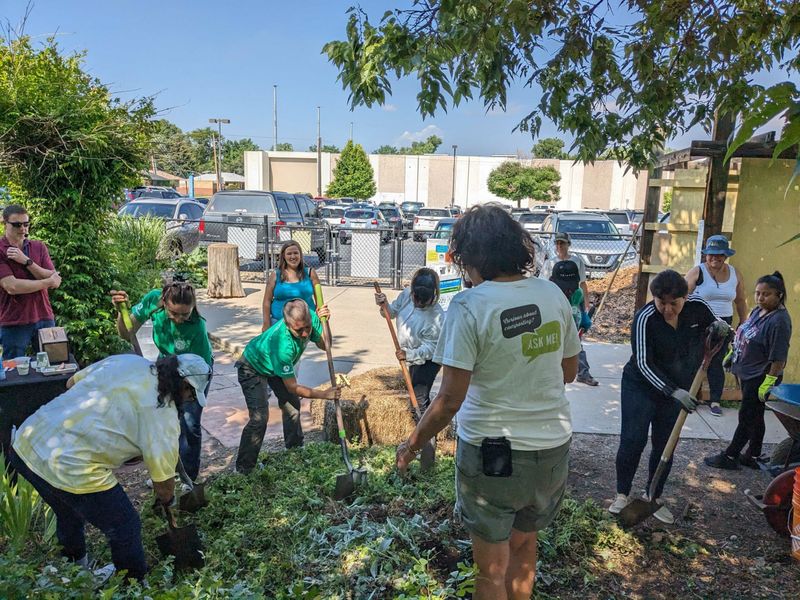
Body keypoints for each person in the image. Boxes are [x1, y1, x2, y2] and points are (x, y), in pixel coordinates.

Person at [395, 204, 580, 600]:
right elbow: (569, 372)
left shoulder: (469, 305)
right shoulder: (551, 293)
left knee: (490, 571)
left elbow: (447, 401)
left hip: (494, 455)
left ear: (472, 257)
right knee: (524, 547)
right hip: (551, 450)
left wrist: (412, 444)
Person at [8, 353, 211, 581]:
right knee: (126, 526)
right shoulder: (162, 414)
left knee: (68, 510)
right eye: (191, 394)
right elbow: (164, 486)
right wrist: (168, 502)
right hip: (69, 464)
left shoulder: (127, 361)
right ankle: (135, 587)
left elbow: (71, 383)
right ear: (183, 384)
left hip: (27, 443)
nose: (189, 399)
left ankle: (76, 575)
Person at [610, 270, 720, 524]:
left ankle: (653, 496)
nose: (668, 309)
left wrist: (722, 332)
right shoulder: (644, 318)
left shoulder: (698, 308)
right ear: (654, 299)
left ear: (685, 297)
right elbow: (642, 363)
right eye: (662, 303)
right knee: (633, 440)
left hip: (678, 387)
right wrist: (673, 391)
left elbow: (715, 329)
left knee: (665, 444)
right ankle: (622, 494)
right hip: (641, 386)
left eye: (674, 303)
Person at [110, 282, 213, 482]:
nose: (179, 319)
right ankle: (167, 473)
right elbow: (125, 333)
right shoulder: (153, 300)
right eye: (174, 313)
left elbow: (196, 370)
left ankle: (188, 478)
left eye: (185, 314)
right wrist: (120, 312)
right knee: (165, 420)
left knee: (189, 423)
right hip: (167, 364)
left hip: (194, 371)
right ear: (164, 302)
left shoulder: (197, 326)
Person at [235, 299, 340, 474]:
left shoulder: (310, 318)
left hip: (273, 366)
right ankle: (244, 469)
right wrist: (324, 394)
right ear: (286, 323)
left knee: (292, 405)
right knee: (259, 418)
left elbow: (325, 345)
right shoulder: (282, 345)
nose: (306, 333)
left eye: (307, 327)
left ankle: (294, 450)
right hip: (252, 367)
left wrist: (325, 323)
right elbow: (292, 387)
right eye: (299, 330)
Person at [704, 272, 792, 470]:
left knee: (746, 415)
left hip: (760, 376)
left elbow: (779, 358)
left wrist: (769, 381)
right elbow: (746, 333)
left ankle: (730, 455)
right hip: (746, 371)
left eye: (766, 294)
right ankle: (752, 454)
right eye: (758, 293)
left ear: (779, 295)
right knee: (756, 414)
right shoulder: (758, 311)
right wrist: (733, 353)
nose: (760, 298)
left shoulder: (779, 321)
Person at [685, 235, 747, 416]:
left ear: (725, 256)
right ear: (706, 255)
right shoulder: (697, 272)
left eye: (719, 255)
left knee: (716, 361)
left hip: (724, 323)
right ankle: (691, 396)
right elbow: (683, 297)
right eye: (711, 254)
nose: (714, 258)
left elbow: (741, 300)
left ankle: (715, 400)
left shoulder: (735, 274)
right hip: (700, 323)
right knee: (695, 359)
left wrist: (743, 322)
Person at [374, 267, 444, 413]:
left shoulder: (436, 317)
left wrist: (408, 355)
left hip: (429, 361)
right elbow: (392, 312)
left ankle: (425, 433)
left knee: (418, 400)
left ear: (434, 295)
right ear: (412, 291)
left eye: (424, 301)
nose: (418, 303)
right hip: (411, 354)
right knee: (415, 394)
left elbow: (431, 348)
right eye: (416, 298)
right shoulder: (406, 295)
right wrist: (384, 304)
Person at [0, 204, 62, 360]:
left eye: (26, 224)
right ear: (4, 223)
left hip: (44, 317)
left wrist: (26, 261)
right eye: (17, 224)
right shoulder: (1, 249)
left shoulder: (38, 246)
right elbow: (12, 286)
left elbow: (56, 279)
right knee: (12, 374)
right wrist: (47, 282)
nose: (22, 228)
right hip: (14, 320)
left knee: (53, 365)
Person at [538, 231, 598, 386]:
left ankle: (582, 372)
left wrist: (585, 303)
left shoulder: (577, 262)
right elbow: (543, 285)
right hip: (555, 304)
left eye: (562, 243)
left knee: (575, 338)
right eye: (557, 243)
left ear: (568, 244)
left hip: (574, 305)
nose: (559, 246)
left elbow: (583, 283)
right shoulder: (550, 264)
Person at [261, 240, 324, 330]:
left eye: (296, 253)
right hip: (279, 322)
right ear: (283, 256)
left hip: (306, 324)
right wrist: (266, 323)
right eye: (289, 254)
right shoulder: (275, 275)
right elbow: (267, 301)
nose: (293, 256)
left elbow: (320, 303)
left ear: (300, 255)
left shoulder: (310, 273)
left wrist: (321, 320)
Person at [550, 261, 592, 338]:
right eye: (563, 287)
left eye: (571, 287)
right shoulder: (550, 294)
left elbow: (584, 318)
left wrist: (586, 323)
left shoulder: (578, 293)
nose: (568, 291)